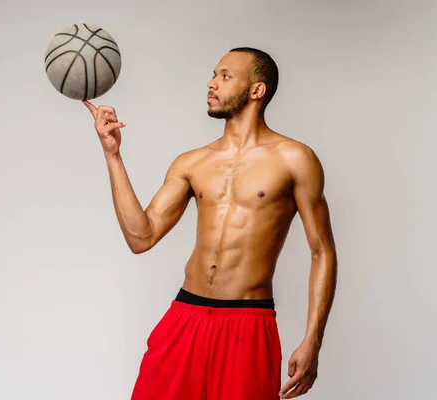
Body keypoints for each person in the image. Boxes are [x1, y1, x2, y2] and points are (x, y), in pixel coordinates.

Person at [82, 47, 338, 400]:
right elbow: (141, 237)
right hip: (185, 318)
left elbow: (321, 251)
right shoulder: (193, 162)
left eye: (225, 76)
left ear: (256, 90)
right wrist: (112, 154)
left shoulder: (295, 159)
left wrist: (313, 339)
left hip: (248, 324)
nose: (211, 83)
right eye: (214, 74)